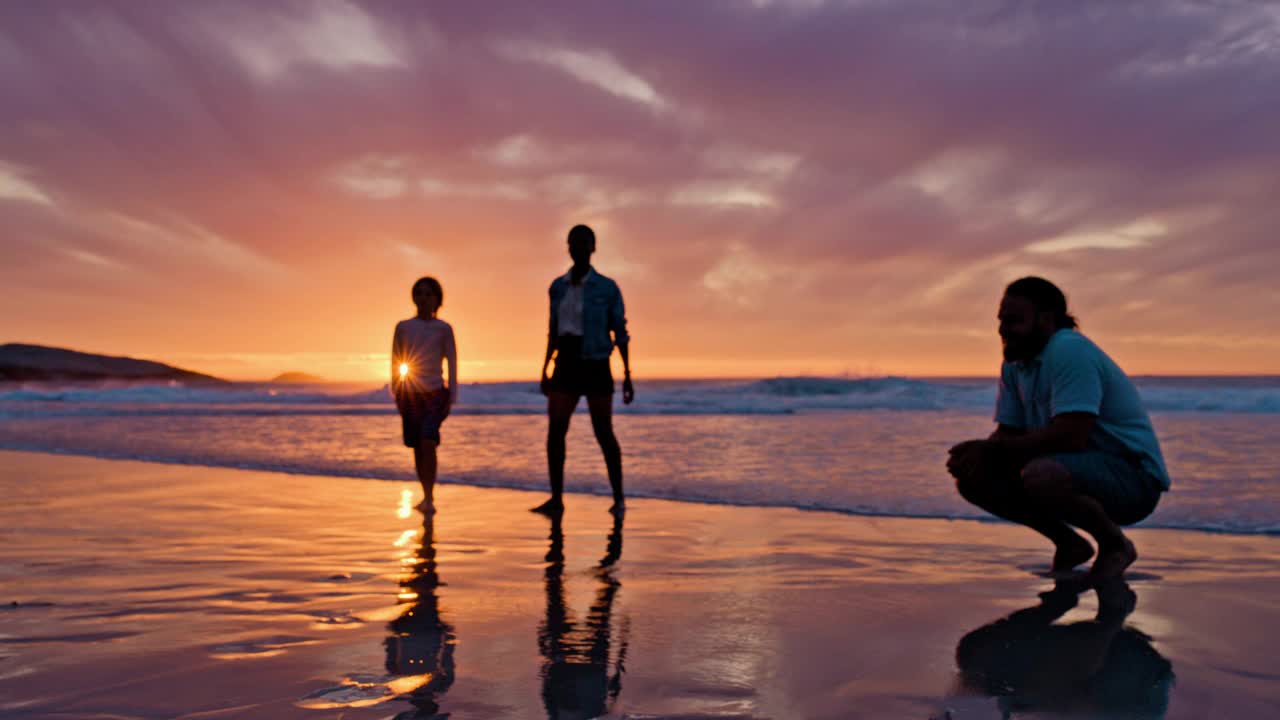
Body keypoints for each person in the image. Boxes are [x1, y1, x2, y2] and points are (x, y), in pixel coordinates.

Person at [947, 277, 1170, 582]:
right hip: (1076, 471)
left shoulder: (1068, 350)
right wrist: (980, 454)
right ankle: (1069, 543)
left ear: (1047, 319)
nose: (1003, 329)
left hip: (1133, 481)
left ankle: (1115, 545)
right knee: (972, 475)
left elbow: (1071, 436)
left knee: (1041, 473)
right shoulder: (1015, 364)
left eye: (1014, 321)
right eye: (1001, 320)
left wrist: (993, 449)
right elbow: (1008, 434)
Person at [534, 224, 633, 516]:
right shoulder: (558, 287)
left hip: (596, 363)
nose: (578, 248)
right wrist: (545, 368)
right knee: (555, 432)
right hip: (565, 361)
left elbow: (620, 332)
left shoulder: (607, 287)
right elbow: (552, 330)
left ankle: (619, 498)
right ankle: (556, 500)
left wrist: (627, 375)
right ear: (568, 248)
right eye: (574, 243)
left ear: (593, 247)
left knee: (603, 432)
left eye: (584, 243)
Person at [391, 276, 458, 512]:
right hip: (409, 394)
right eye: (419, 293)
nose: (423, 298)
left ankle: (430, 497)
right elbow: (396, 360)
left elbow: (451, 360)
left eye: (428, 293)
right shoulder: (403, 327)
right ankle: (424, 494)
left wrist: (452, 395)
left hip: (435, 393)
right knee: (417, 445)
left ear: (437, 298)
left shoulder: (444, 329)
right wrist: (396, 390)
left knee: (429, 441)